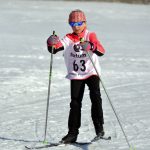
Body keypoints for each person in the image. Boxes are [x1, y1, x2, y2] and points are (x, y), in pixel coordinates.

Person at [47, 9, 105, 144]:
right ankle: (72, 133)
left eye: (79, 23)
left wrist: (91, 45)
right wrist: (51, 42)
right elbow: (55, 48)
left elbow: (101, 50)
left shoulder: (90, 35)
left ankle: (99, 130)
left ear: (85, 23)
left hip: (91, 72)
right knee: (75, 103)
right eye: (73, 24)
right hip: (76, 74)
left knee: (95, 96)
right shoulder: (69, 38)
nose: (76, 26)